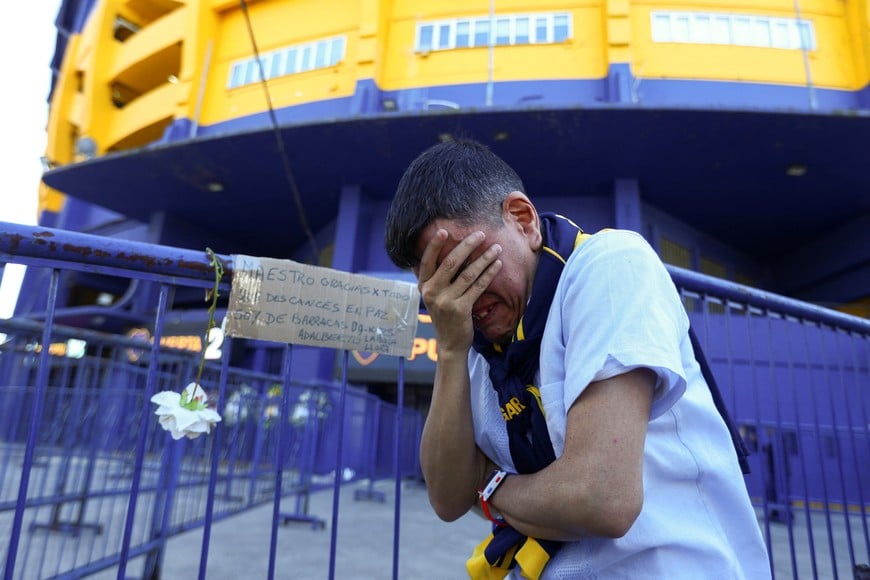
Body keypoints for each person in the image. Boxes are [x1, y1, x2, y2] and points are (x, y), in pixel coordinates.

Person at [383, 138, 771, 579]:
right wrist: (451, 351)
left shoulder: (610, 265)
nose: (457, 296)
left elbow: (602, 499)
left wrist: (490, 484)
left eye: (462, 265)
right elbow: (448, 499)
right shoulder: (470, 339)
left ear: (523, 220)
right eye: (436, 285)